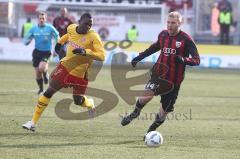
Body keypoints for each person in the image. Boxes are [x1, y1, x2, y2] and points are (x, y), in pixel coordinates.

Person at [121, 11, 200, 138]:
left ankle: (151, 130)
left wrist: (185, 60)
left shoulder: (186, 39)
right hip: (158, 73)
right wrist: (139, 57)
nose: (169, 25)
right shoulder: (163, 35)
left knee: (164, 112)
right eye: (168, 22)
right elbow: (154, 47)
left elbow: (197, 60)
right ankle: (135, 113)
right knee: (147, 95)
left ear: (180, 23)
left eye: (173, 23)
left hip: (173, 81)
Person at [22, 13, 106, 132]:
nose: (88, 26)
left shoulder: (94, 37)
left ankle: (90, 103)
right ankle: (32, 122)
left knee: (78, 101)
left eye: (90, 24)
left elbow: (102, 56)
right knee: (49, 91)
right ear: (79, 21)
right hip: (66, 67)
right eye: (86, 23)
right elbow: (67, 36)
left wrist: (85, 52)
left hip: (81, 74)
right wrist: (59, 44)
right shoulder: (71, 28)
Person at [24, 12, 59, 94]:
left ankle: (46, 73)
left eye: (43, 18)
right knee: (38, 74)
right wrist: (27, 41)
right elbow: (26, 38)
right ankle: (41, 89)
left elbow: (57, 36)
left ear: (45, 19)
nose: (41, 20)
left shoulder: (50, 28)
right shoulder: (34, 29)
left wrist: (56, 48)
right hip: (36, 52)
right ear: (38, 19)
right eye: (40, 18)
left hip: (46, 52)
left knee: (42, 68)